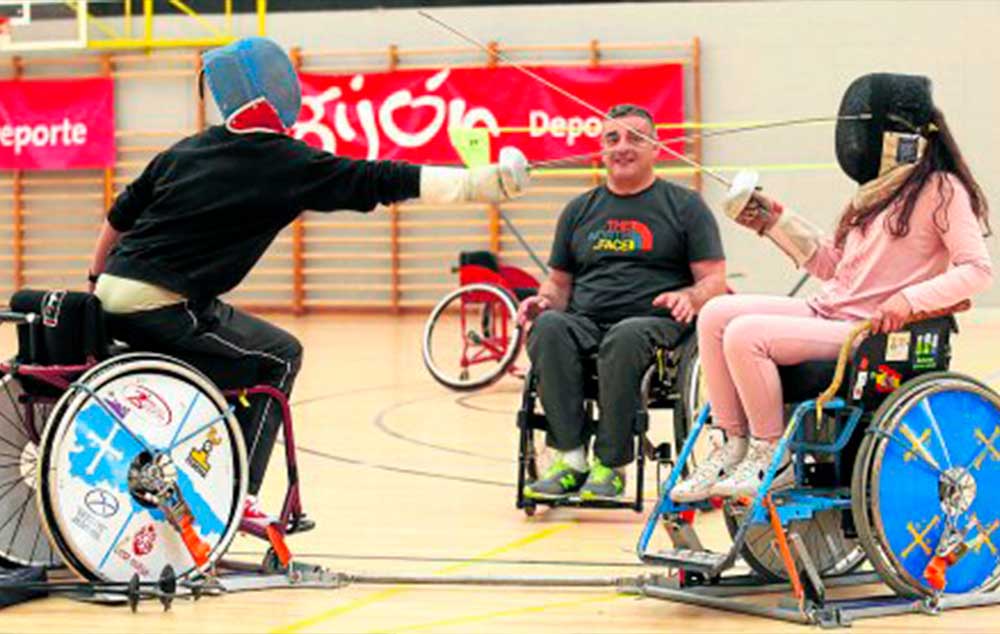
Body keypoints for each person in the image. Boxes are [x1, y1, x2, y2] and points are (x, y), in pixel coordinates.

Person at [86, 37, 529, 528]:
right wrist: (478, 184)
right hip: (165, 305)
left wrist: (95, 283)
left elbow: (118, 218)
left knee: (230, 351)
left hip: (113, 294)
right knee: (278, 358)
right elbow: (379, 178)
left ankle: (194, 454)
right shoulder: (286, 162)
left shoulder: (185, 150)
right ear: (274, 91)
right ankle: (237, 496)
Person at [671, 73, 993, 502]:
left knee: (747, 336)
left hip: (869, 331)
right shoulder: (873, 194)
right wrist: (773, 222)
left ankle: (773, 454)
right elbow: (837, 268)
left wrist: (908, 299)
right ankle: (733, 444)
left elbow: (976, 270)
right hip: (830, 310)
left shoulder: (941, 190)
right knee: (714, 316)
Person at [518, 103, 727, 502]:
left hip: (654, 326)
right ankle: (571, 459)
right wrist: (542, 302)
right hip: (585, 322)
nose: (622, 147)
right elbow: (559, 285)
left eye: (635, 137)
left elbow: (715, 281)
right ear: (601, 149)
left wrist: (690, 296)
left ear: (657, 148)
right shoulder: (579, 210)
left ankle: (610, 466)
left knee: (625, 337)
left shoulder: (685, 206)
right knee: (547, 328)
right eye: (612, 138)